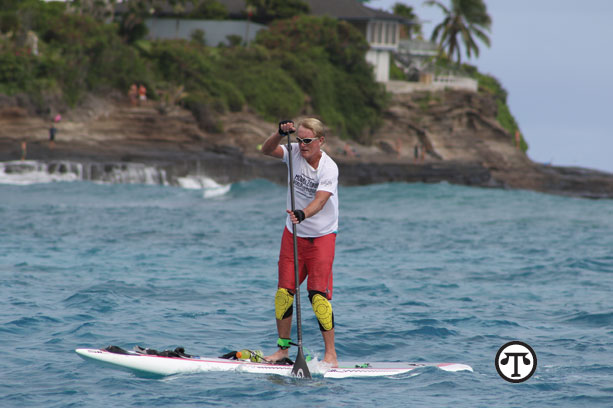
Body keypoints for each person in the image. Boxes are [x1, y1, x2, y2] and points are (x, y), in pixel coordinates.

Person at [261, 118, 339, 367]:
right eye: (299, 140)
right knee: (284, 294)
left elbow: (321, 200)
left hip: (321, 237)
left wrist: (303, 214)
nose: (302, 145)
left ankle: (331, 355)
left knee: (317, 297)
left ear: (320, 141)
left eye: (307, 141)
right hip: (293, 235)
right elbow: (266, 150)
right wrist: (278, 133)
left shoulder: (329, 168)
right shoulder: (293, 152)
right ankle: (282, 350)